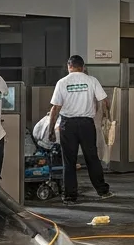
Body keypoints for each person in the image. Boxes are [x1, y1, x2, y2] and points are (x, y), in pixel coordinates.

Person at [48, 54, 113, 204]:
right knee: (92, 158)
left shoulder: (62, 82)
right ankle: (103, 191)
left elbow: (55, 108)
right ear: (83, 67)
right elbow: (105, 101)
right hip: (86, 125)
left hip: (67, 125)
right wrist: (106, 117)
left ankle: (70, 196)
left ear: (69, 66)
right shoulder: (91, 80)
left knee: (69, 161)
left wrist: (51, 130)